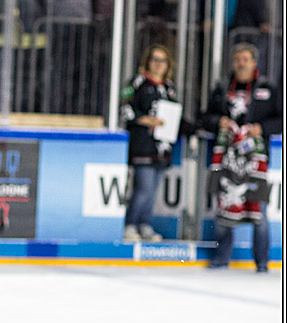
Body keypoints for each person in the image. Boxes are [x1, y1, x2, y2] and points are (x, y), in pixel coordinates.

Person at [199, 42, 282, 271]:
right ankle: (221, 258)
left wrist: (261, 128)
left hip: (256, 160)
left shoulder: (268, 88)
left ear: (255, 62)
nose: (242, 63)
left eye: (246, 59)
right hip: (226, 158)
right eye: (238, 59)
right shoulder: (222, 88)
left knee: (259, 211)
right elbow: (205, 117)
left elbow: (280, 120)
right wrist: (219, 122)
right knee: (225, 206)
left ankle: (262, 263)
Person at [119, 44, 181, 243]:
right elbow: (123, 107)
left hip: (162, 147)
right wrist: (144, 119)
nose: (158, 64)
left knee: (153, 190)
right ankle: (130, 224)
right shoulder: (138, 82)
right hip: (142, 144)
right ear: (148, 61)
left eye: (162, 60)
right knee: (143, 188)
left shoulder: (169, 88)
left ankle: (144, 224)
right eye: (154, 59)